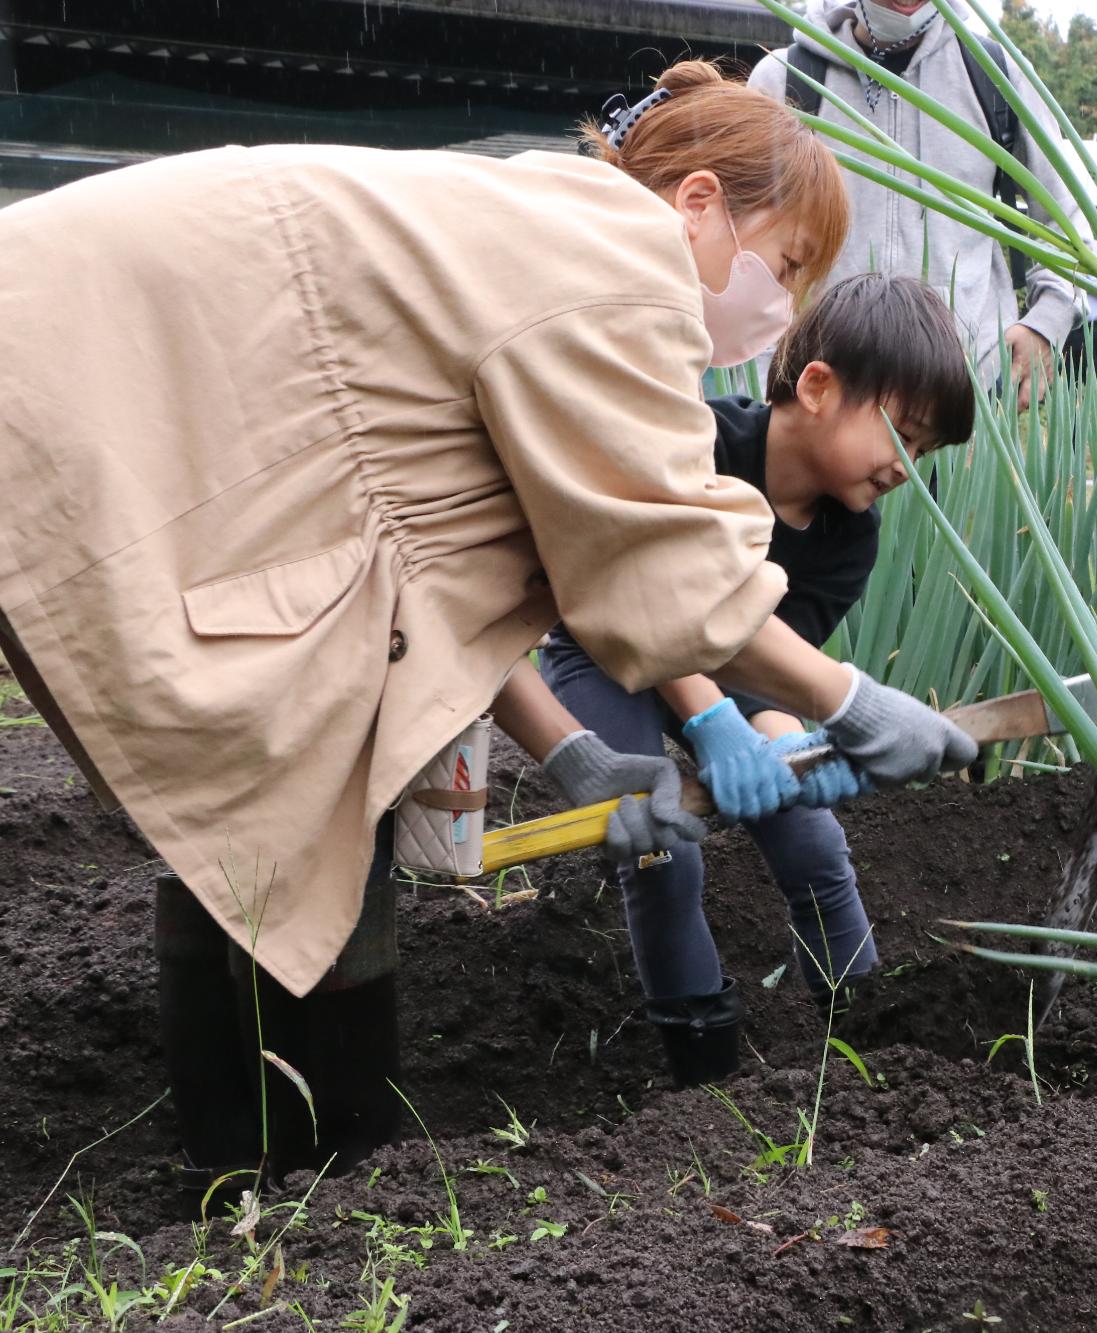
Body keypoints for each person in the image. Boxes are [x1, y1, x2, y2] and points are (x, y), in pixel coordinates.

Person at [0, 60, 975, 1194]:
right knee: (305, 787)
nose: (781, 296)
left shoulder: (547, 242)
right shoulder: (618, 262)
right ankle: (342, 1178)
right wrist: (849, 700)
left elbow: (436, 582)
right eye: (790, 258)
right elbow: (660, 571)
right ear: (698, 203)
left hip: (74, 330)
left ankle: (239, 1175)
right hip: (81, 347)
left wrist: (568, 752)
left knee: (278, 786)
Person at [538, 273, 976, 1086]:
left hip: (726, 671)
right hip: (603, 643)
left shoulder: (850, 538)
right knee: (663, 849)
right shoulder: (700, 445)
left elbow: (773, 673)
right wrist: (712, 726)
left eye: (923, 452)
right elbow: (648, 602)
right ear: (817, 386)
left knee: (813, 840)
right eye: (902, 435)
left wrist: (791, 749)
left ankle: (874, 1053)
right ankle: (704, 1079)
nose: (907, 468)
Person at [748, 0, 1079, 408]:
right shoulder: (788, 80)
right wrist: (765, 380)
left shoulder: (996, 74)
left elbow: (1071, 222)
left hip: (966, 396)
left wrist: (1046, 324)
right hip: (824, 395)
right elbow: (746, 245)